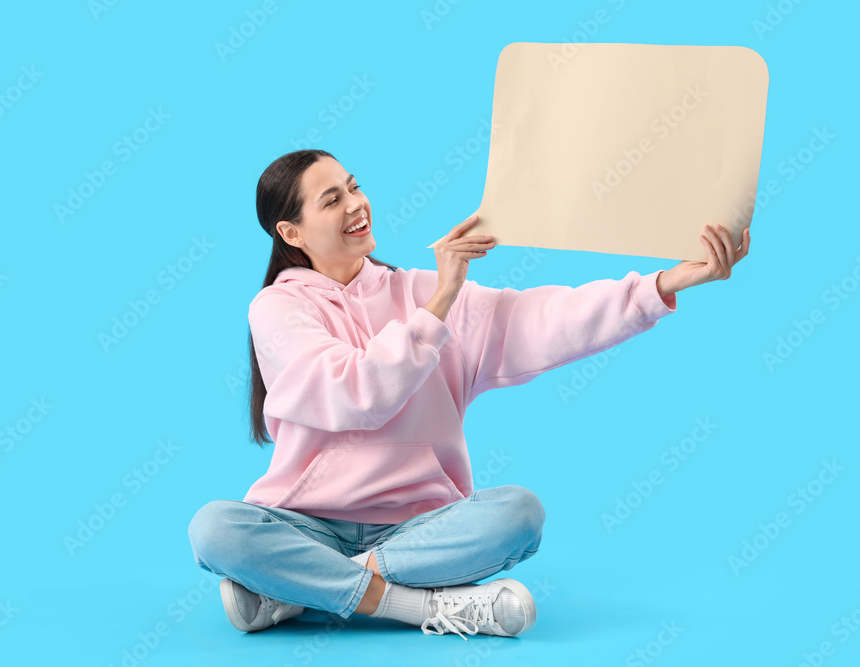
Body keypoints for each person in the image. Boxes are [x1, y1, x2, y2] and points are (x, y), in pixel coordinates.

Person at [187, 149, 750, 640]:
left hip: (419, 525)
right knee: (215, 529)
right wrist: (439, 305)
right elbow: (356, 394)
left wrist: (663, 284)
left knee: (518, 514)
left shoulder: (420, 288)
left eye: (354, 186)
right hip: (308, 522)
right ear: (292, 233)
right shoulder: (279, 309)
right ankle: (423, 606)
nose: (356, 204)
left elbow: (547, 318)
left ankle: (300, 589)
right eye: (331, 200)